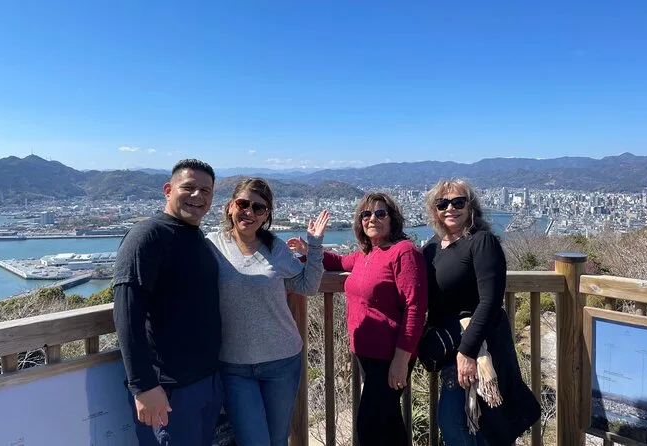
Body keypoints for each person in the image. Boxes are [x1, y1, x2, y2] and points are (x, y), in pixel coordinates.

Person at [288, 192, 428, 446]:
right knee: (388, 424)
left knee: (368, 427)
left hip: (390, 356)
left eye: (380, 213)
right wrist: (310, 249)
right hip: (366, 354)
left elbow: (415, 308)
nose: (372, 218)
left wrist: (401, 360)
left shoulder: (404, 252)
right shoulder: (367, 253)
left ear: (393, 218)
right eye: (366, 214)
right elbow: (340, 261)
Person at [205, 177, 329, 446]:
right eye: (243, 204)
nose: (249, 212)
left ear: (266, 215)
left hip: (282, 360)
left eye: (258, 208)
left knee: (277, 439)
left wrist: (315, 245)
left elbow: (307, 286)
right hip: (234, 364)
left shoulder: (276, 248)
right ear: (230, 206)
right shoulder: (212, 245)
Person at [112, 159, 224, 445]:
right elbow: (126, 314)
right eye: (188, 187)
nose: (197, 196)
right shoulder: (147, 236)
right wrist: (143, 385)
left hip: (207, 381)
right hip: (168, 388)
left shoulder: (196, 237)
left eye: (205, 191)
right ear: (168, 190)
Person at [421, 179, 540, 446]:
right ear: (434, 209)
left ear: (470, 206)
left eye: (458, 202)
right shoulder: (432, 247)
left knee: (455, 419)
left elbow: (490, 300)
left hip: (477, 347)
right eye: (442, 203)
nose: (450, 208)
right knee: (469, 420)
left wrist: (468, 351)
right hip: (448, 345)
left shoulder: (481, 241)